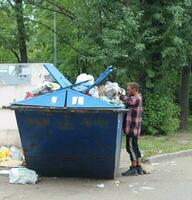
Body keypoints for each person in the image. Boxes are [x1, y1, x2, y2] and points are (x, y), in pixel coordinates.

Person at [120, 82, 146, 176]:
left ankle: (134, 168)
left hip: (132, 128)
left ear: (134, 89)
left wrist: (120, 95)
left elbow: (130, 101)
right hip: (133, 128)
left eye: (129, 89)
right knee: (135, 147)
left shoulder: (137, 98)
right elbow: (129, 102)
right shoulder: (137, 97)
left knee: (130, 148)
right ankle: (139, 167)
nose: (128, 91)